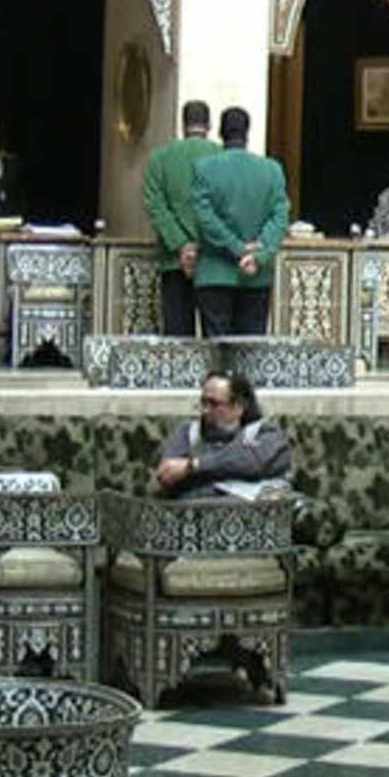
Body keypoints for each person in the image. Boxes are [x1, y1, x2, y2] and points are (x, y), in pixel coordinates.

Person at [190, 105, 290, 337]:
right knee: (250, 349)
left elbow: (204, 218)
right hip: (256, 276)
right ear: (247, 132)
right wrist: (258, 253)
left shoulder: (204, 169)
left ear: (220, 132)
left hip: (215, 273)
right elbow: (279, 216)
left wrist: (237, 248)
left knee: (217, 349)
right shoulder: (272, 170)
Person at [142, 100, 220, 337]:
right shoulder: (221, 157)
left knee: (177, 338)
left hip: (173, 260)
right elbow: (225, 209)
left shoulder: (159, 159)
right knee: (216, 338)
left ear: (182, 124)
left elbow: (156, 206)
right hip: (213, 261)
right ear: (209, 125)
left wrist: (182, 245)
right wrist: (202, 246)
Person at [151, 371, 291, 501]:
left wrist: (194, 466)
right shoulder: (186, 432)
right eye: (203, 402)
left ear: (238, 407)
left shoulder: (265, 434)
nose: (205, 411)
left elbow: (252, 462)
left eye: (214, 404)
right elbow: (167, 475)